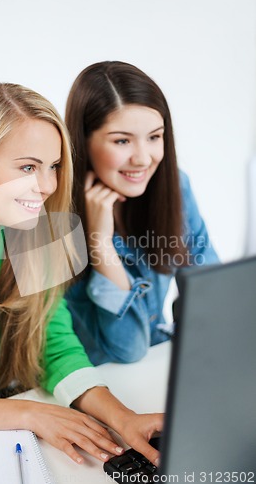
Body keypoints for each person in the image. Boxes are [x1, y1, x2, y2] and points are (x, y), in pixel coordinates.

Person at [0, 83, 162, 466]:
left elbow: (54, 346)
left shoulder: (31, 238)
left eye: (53, 166)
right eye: (28, 167)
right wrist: (28, 415)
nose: (49, 185)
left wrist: (124, 418)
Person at [65, 61, 219, 365]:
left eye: (154, 137)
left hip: (157, 364)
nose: (143, 158)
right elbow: (128, 348)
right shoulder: (48, 215)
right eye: (122, 140)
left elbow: (212, 293)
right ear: (83, 140)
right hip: (94, 382)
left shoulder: (174, 186)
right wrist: (100, 245)